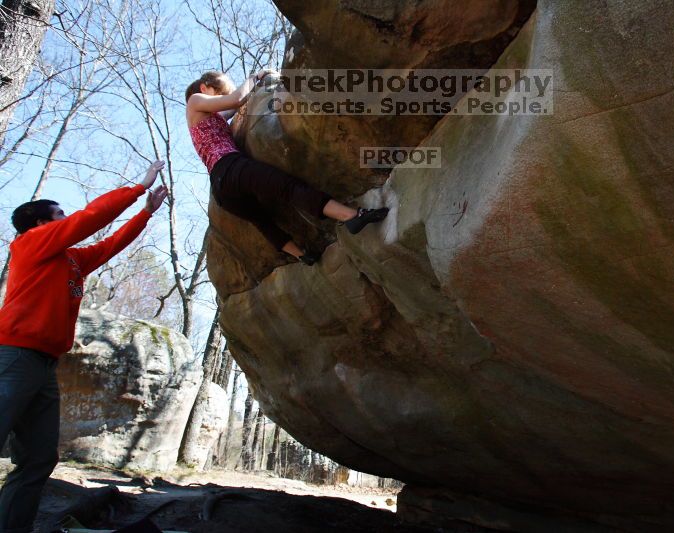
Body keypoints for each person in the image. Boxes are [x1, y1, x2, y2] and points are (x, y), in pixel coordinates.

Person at [0, 162, 168, 533]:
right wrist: (137, 187)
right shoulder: (30, 243)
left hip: (45, 365)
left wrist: (145, 214)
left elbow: (109, 245)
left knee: (39, 458)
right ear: (41, 223)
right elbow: (88, 219)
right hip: (14, 355)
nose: (65, 219)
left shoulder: (71, 260)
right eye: (58, 215)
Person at [185, 70, 388, 265]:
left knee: (263, 220)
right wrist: (256, 76)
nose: (223, 97)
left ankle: (302, 256)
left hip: (223, 191)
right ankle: (351, 216)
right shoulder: (195, 100)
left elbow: (234, 106)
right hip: (230, 168)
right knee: (287, 188)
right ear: (204, 87)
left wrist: (254, 90)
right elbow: (236, 99)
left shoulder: (208, 116)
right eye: (220, 93)